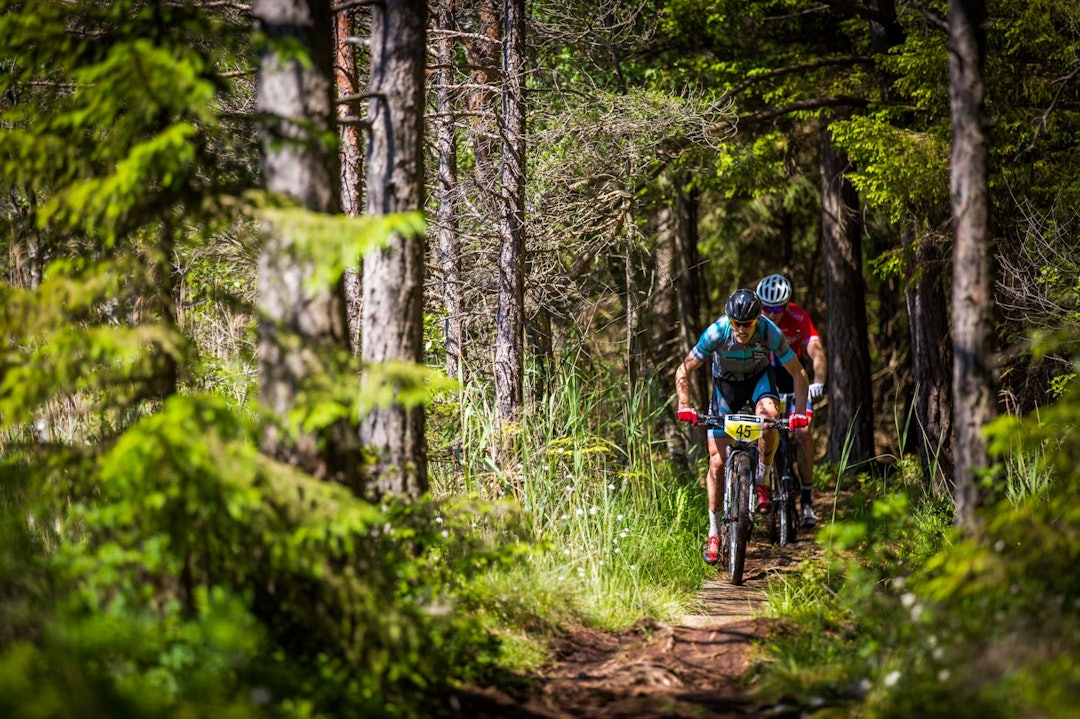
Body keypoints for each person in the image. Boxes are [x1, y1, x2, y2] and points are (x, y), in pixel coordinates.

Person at [675, 288, 809, 566]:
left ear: (757, 320)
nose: (741, 329)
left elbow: (799, 372)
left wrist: (798, 412)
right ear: (729, 320)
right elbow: (684, 369)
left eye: (747, 324)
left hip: (759, 380)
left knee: (770, 418)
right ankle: (713, 533)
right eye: (736, 323)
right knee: (716, 463)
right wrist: (684, 403)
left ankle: (762, 477)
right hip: (725, 387)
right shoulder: (716, 333)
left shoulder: (769, 332)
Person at [755, 273, 827, 528]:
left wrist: (819, 381)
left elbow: (815, 351)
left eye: (776, 308)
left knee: (803, 432)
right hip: (766, 380)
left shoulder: (799, 317)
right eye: (766, 308)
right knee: (760, 428)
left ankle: (807, 499)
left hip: (794, 380)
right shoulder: (757, 319)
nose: (771, 314)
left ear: (786, 305)